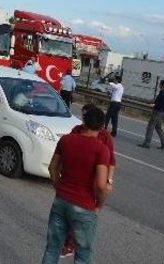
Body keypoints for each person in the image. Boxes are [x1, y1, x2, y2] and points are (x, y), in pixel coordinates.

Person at [42, 106, 110, 264]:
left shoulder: (66, 140)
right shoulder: (101, 149)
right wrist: (99, 204)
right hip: (84, 206)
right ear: (101, 127)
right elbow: (101, 185)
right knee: (82, 256)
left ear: (83, 121)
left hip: (61, 201)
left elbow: (52, 167)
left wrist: (58, 188)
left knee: (52, 249)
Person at [61, 103, 116, 258]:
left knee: (83, 215)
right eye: (83, 116)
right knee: (72, 214)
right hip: (74, 180)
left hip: (92, 182)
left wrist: (108, 181)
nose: (83, 120)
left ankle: (72, 245)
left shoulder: (105, 137)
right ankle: (70, 242)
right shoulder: (76, 131)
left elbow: (111, 161)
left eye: (85, 116)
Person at [139, 80, 164, 149]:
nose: (159, 85)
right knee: (158, 128)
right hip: (162, 113)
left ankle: (147, 143)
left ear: (162, 85)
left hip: (157, 112)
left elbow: (160, 103)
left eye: (160, 84)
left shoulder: (162, 93)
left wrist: (154, 105)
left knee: (150, 127)